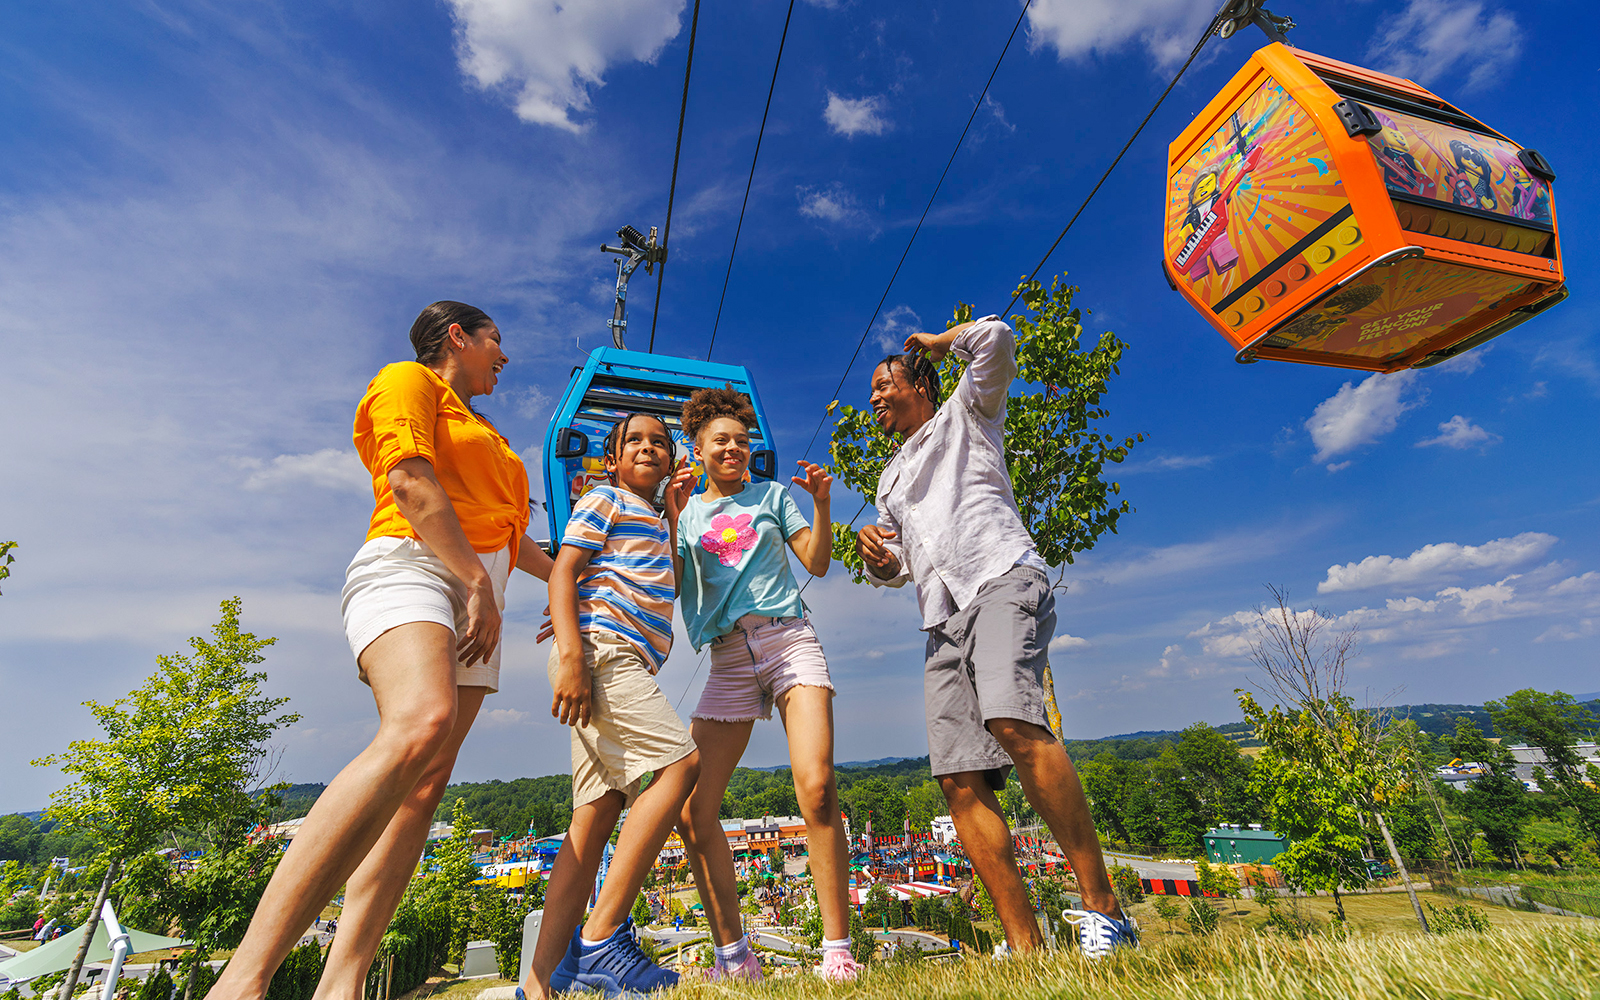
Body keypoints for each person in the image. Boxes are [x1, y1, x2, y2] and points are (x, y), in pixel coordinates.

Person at [209, 301, 554, 1000]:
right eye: (495, 341)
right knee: (418, 722)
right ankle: (242, 981)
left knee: (424, 790)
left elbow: (516, 543)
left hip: (481, 584)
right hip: (417, 562)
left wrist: (582, 581)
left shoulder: (490, 435)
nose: (504, 356)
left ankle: (342, 986)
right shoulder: (409, 381)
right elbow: (409, 483)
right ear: (458, 336)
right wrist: (472, 586)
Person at [855, 316, 1138, 959]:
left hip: (1002, 577)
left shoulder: (967, 412)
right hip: (940, 619)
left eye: (883, 384)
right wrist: (879, 560)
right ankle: (1024, 948)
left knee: (1013, 720)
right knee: (958, 780)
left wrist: (934, 341)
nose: (873, 397)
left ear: (920, 384)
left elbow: (998, 337)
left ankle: (1104, 910)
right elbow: (899, 569)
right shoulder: (888, 479)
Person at [667, 387, 862, 983]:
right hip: (727, 657)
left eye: (741, 440)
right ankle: (735, 957)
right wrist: (672, 517)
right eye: (720, 441)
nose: (733, 448)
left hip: (788, 642)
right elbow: (673, 584)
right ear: (697, 450)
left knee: (818, 787)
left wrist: (823, 504)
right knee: (694, 811)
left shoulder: (774, 496)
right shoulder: (685, 513)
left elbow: (819, 562)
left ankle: (837, 950)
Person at [517, 413, 700, 999]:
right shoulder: (604, 499)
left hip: (621, 661)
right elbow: (564, 572)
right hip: (602, 655)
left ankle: (540, 982)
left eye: (660, 442)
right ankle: (599, 938)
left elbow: (653, 575)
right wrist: (572, 653)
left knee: (594, 817)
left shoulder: (652, 516)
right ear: (613, 459)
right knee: (680, 765)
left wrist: (672, 512)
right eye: (634, 441)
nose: (648, 447)